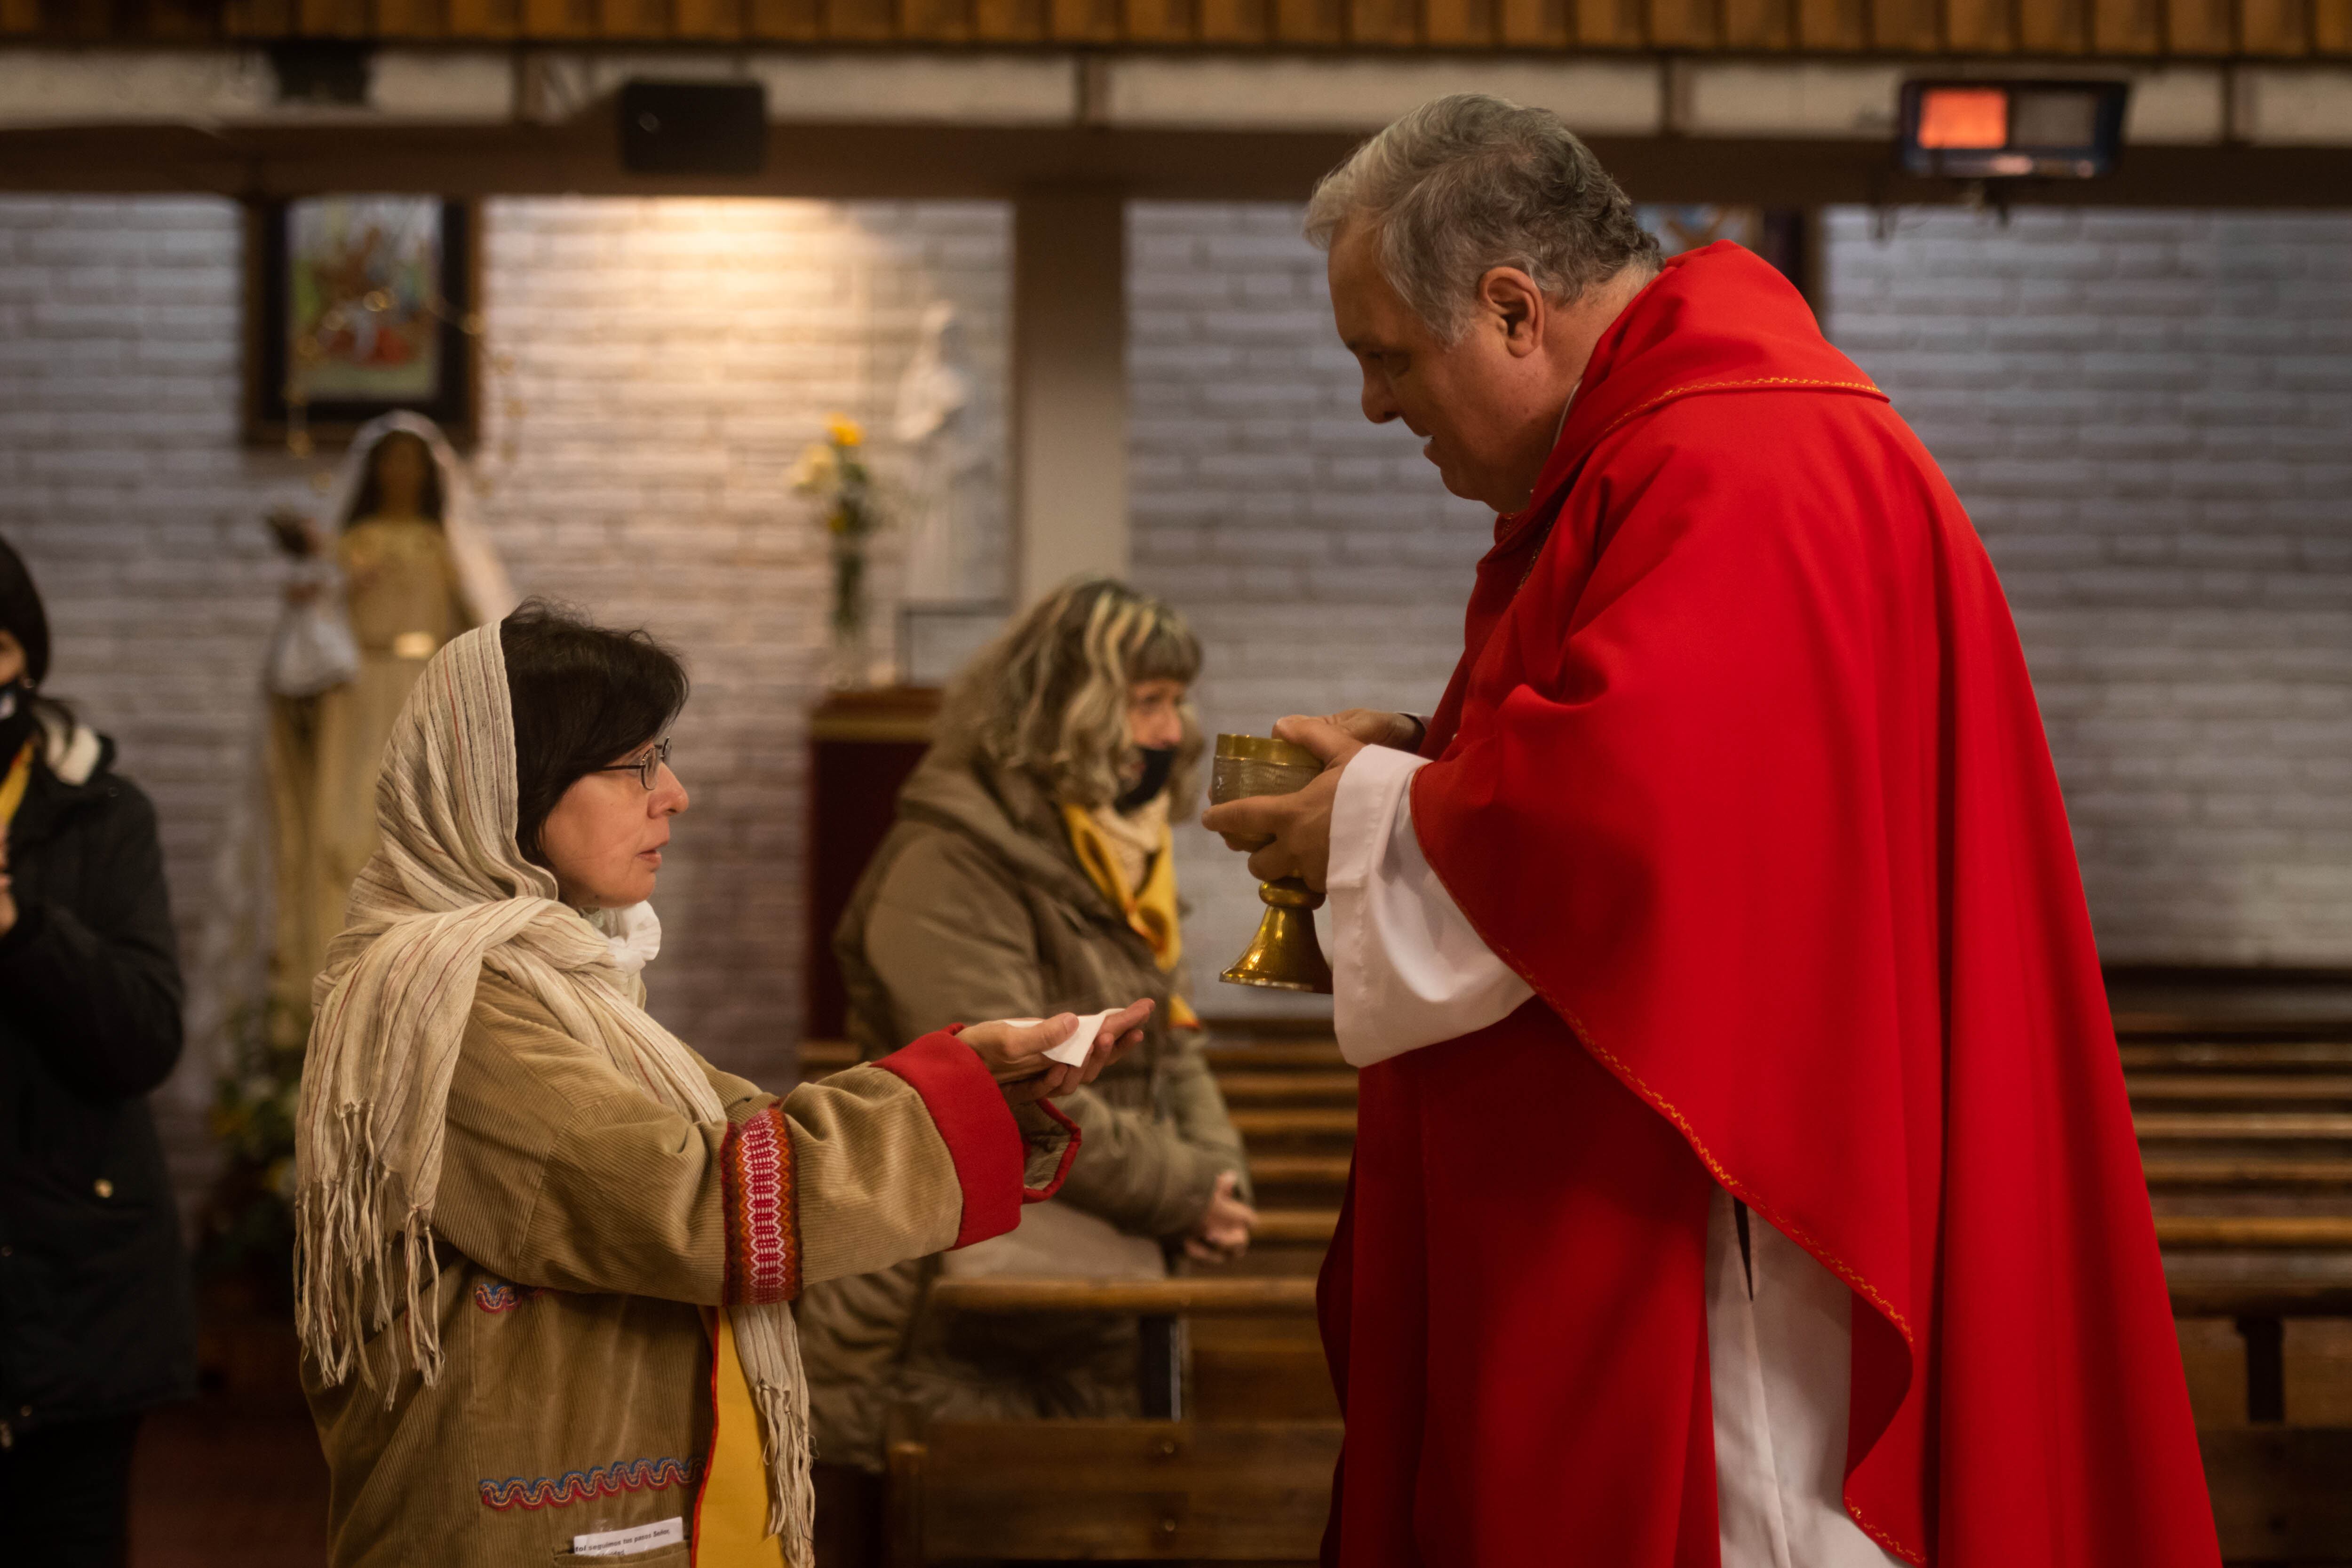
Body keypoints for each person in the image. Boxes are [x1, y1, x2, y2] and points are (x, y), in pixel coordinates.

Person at [1202, 96, 2218, 1568]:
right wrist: (1426, 765)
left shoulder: (1728, 462)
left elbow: (1630, 829)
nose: (1373, 404)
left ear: (1511, 310)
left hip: (1745, 1220)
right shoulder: (1710, 435)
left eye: (1386, 357)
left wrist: (1361, 824)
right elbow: (1707, 796)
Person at [296, 601, 1149, 1568]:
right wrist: (943, 1097)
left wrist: (981, 1074)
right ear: (507, 785)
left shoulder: (549, 978)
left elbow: (737, 1129)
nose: (676, 794)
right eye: (635, 765)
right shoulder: (451, 998)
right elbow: (694, 1199)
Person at [799, 579, 1255, 1470]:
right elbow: (1014, 1088)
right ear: (1066, 706)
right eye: (1149, 703)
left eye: (1176, 702)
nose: (1173, 731)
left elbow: (1173, 1042)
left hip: (1072, 1285)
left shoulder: (1100, 854)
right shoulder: (950, 865)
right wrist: (1184, 1190)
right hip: (945, 1310)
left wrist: (1217, 1175)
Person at [0, 533, 194, 1566]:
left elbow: (142, 1035)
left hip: (71, 1291)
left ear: (22, 655)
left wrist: (19, 926)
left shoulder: (100, 815)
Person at [267, 412, 513, 1025]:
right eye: (389, 461)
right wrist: (313, 594)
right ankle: (338, 989)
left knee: (430, 834)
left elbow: (479, 626)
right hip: (357, 695)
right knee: (348, 831)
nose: (399, 472)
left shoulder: (444, 548)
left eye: (410, 462)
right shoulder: (353, 546)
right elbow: (314, 625)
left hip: (431, 693)